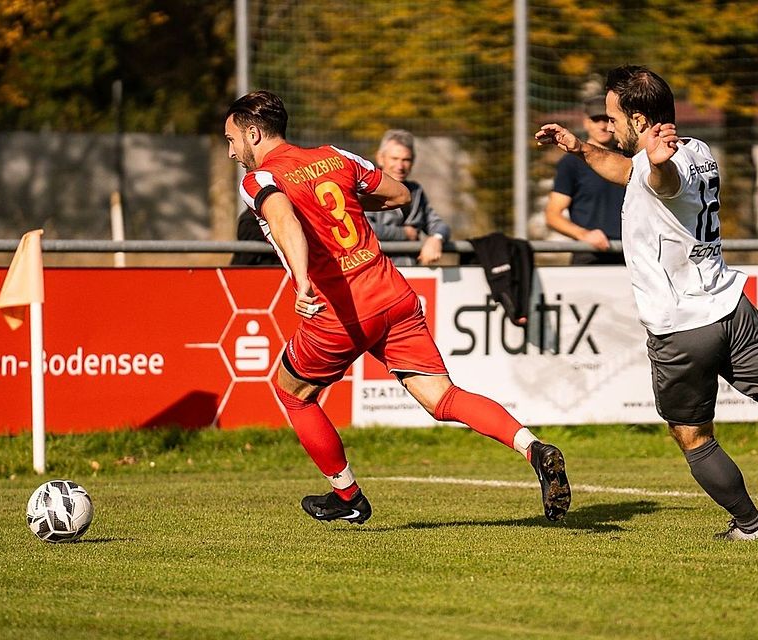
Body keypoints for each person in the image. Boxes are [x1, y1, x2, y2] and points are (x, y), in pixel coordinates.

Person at [536, 65, 758, 540]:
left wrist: (659, 163)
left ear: (640, 119)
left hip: (681, 326)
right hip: (731, 307)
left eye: (613, 116)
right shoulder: (700, 151)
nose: (610, 125)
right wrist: (580, 147)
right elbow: (633, 172)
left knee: (693, 436)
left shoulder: (661, 163)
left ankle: (749, 526)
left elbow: (662, 181)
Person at [224, 91, 571, 524]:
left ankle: (347, 497)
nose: (233, 151)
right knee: (443, 397)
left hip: (341, 311)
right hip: (393, 294)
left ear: (253, 133)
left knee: (292, 393)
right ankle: (532, 447)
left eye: (233, 139)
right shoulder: (336, 157)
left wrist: (301, 280)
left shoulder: (259, 179)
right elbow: (400, 195)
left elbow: (284, 220)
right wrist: (347, 200)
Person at [544, 95, 626, 265]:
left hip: (630, 254)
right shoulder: (571, 163)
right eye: (596, 120)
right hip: (590, 255)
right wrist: (584, 235)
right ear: (586, 122)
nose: (603, 126)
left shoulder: (629, 159)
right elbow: (553, 214)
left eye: (608, 119)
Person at [364, 129, 451, 266]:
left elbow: (437, 224)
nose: (400, 166)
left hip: (412, 271)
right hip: (377, 271)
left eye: (406, 160)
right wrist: (404, 234)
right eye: (395, 159)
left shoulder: (416, 191)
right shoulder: (366, 189)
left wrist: (436, 239)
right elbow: (362, 227)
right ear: (380, 158)